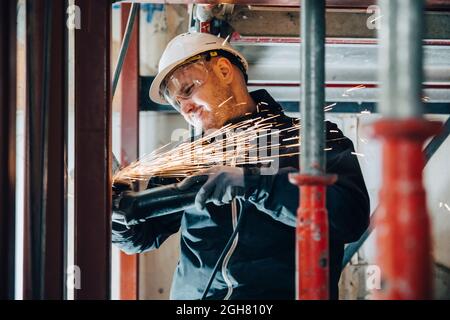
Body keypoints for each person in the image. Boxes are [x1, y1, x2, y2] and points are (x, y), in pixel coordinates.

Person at [112, 32, 370, 300]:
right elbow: (139, 238)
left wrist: (254, 183)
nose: (186, 109)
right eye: (178, 103)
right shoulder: (189, 159)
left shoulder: (310, 139)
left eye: (188, 91)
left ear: (224, 70)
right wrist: (115, 214)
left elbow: (350, 219)